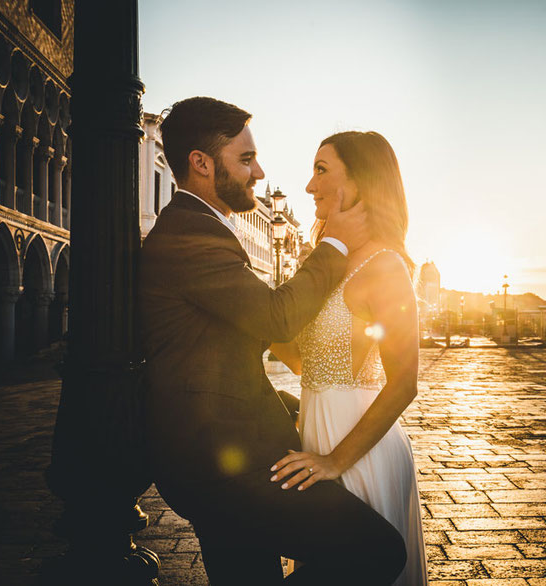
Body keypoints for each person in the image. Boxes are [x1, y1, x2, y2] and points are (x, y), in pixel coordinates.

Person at [139, 98, 406, 585]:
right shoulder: (188, 236)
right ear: (200, 163)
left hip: (217, 455)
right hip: (221, 465)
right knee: (378, 551)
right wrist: (335, 244)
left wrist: (296, 402)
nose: (259, 172)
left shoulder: (198, 230)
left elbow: (238, 346)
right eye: (245, 159)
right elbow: (275, 319)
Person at [269, 131, 427, 585]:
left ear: (359, 182)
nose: (309, 186)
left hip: (359, 453)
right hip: (316, 438)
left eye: (321, 170)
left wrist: (336, 461)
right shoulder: (327, 261)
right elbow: (300, 361)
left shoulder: (386, 266)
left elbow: (404, 382)